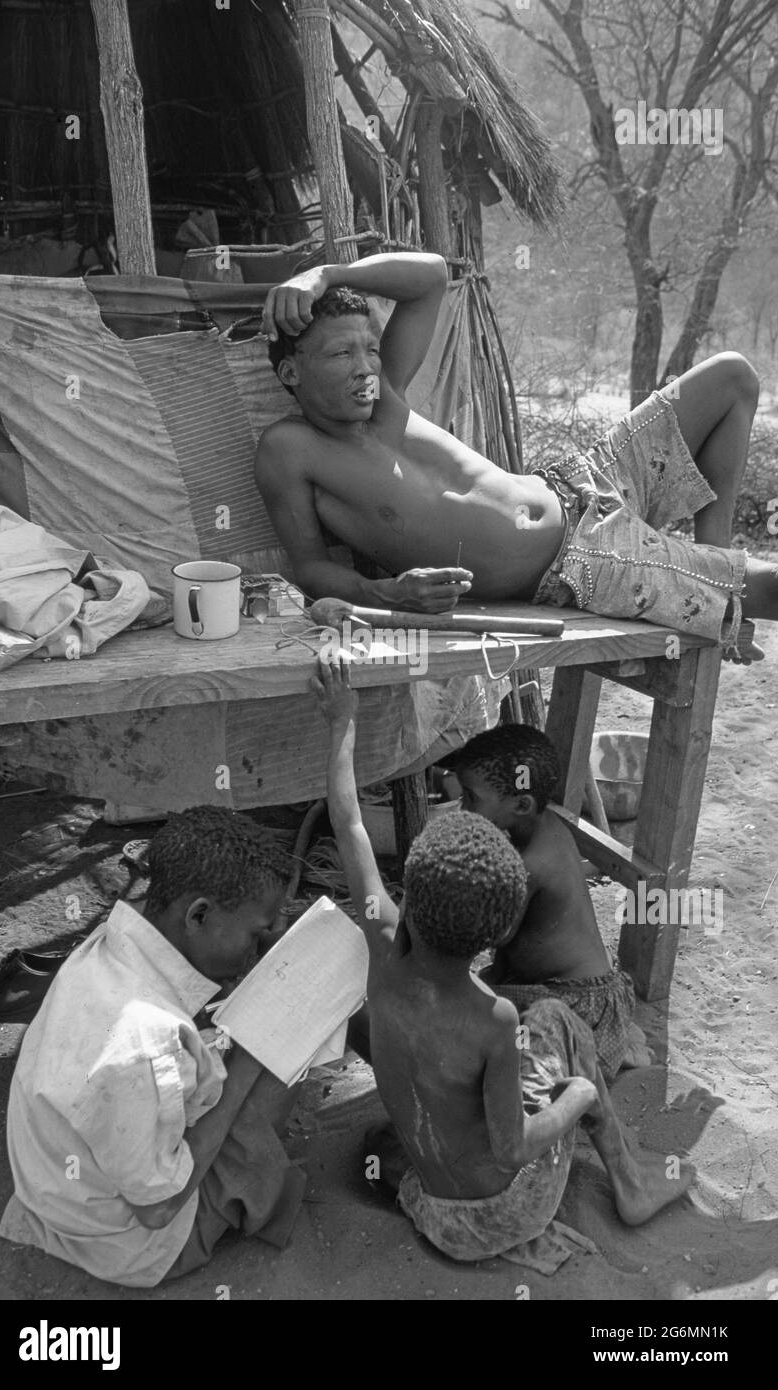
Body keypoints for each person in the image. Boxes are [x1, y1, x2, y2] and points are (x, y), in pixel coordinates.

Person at [312, 657, 692, 1264]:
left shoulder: (384, 939)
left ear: (411, 884)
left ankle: (614, 1110)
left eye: (468, 802)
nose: (461, 809)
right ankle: (630, 1177)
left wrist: (342, 722)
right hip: (506, 1213)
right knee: (549, 1024)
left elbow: (349, 819)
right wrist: (577, 1099)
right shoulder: (493, 1018)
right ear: (495, 923)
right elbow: (514, 1149)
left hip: (432, 1207)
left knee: (387, 1052)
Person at [256, 251, 771, 661]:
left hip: (583, 480)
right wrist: (391, 593)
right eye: (341, 354)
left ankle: (720, 573)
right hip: (579, 561)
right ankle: (730, 590)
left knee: (732, 375)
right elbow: (310, 568)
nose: (366, 366)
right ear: (291, 374)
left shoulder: (384, 398)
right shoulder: (292, 449)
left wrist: (324, 275)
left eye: (370, 348)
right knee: (774, 589)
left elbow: (432, 275)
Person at [0, 806, 306, 1288]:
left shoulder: (110, 945)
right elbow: (158, 1209)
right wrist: (250, 1058)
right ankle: (247, 1199)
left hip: (60, 1188)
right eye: (257, 931)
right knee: (290, 1043)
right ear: (199, 914)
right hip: (134, 1242)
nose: (264, 942)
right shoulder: (145, 1046)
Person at [452, 721, 649, 1081]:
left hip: (573, 1003)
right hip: (569, 982)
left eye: (471, 798)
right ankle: (619, 1038)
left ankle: (599, 1047)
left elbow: (500, 937)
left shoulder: (531, 865)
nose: (463, 809)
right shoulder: (543, 826)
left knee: (466, 1019)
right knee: (482, 989)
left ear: (522, 804)